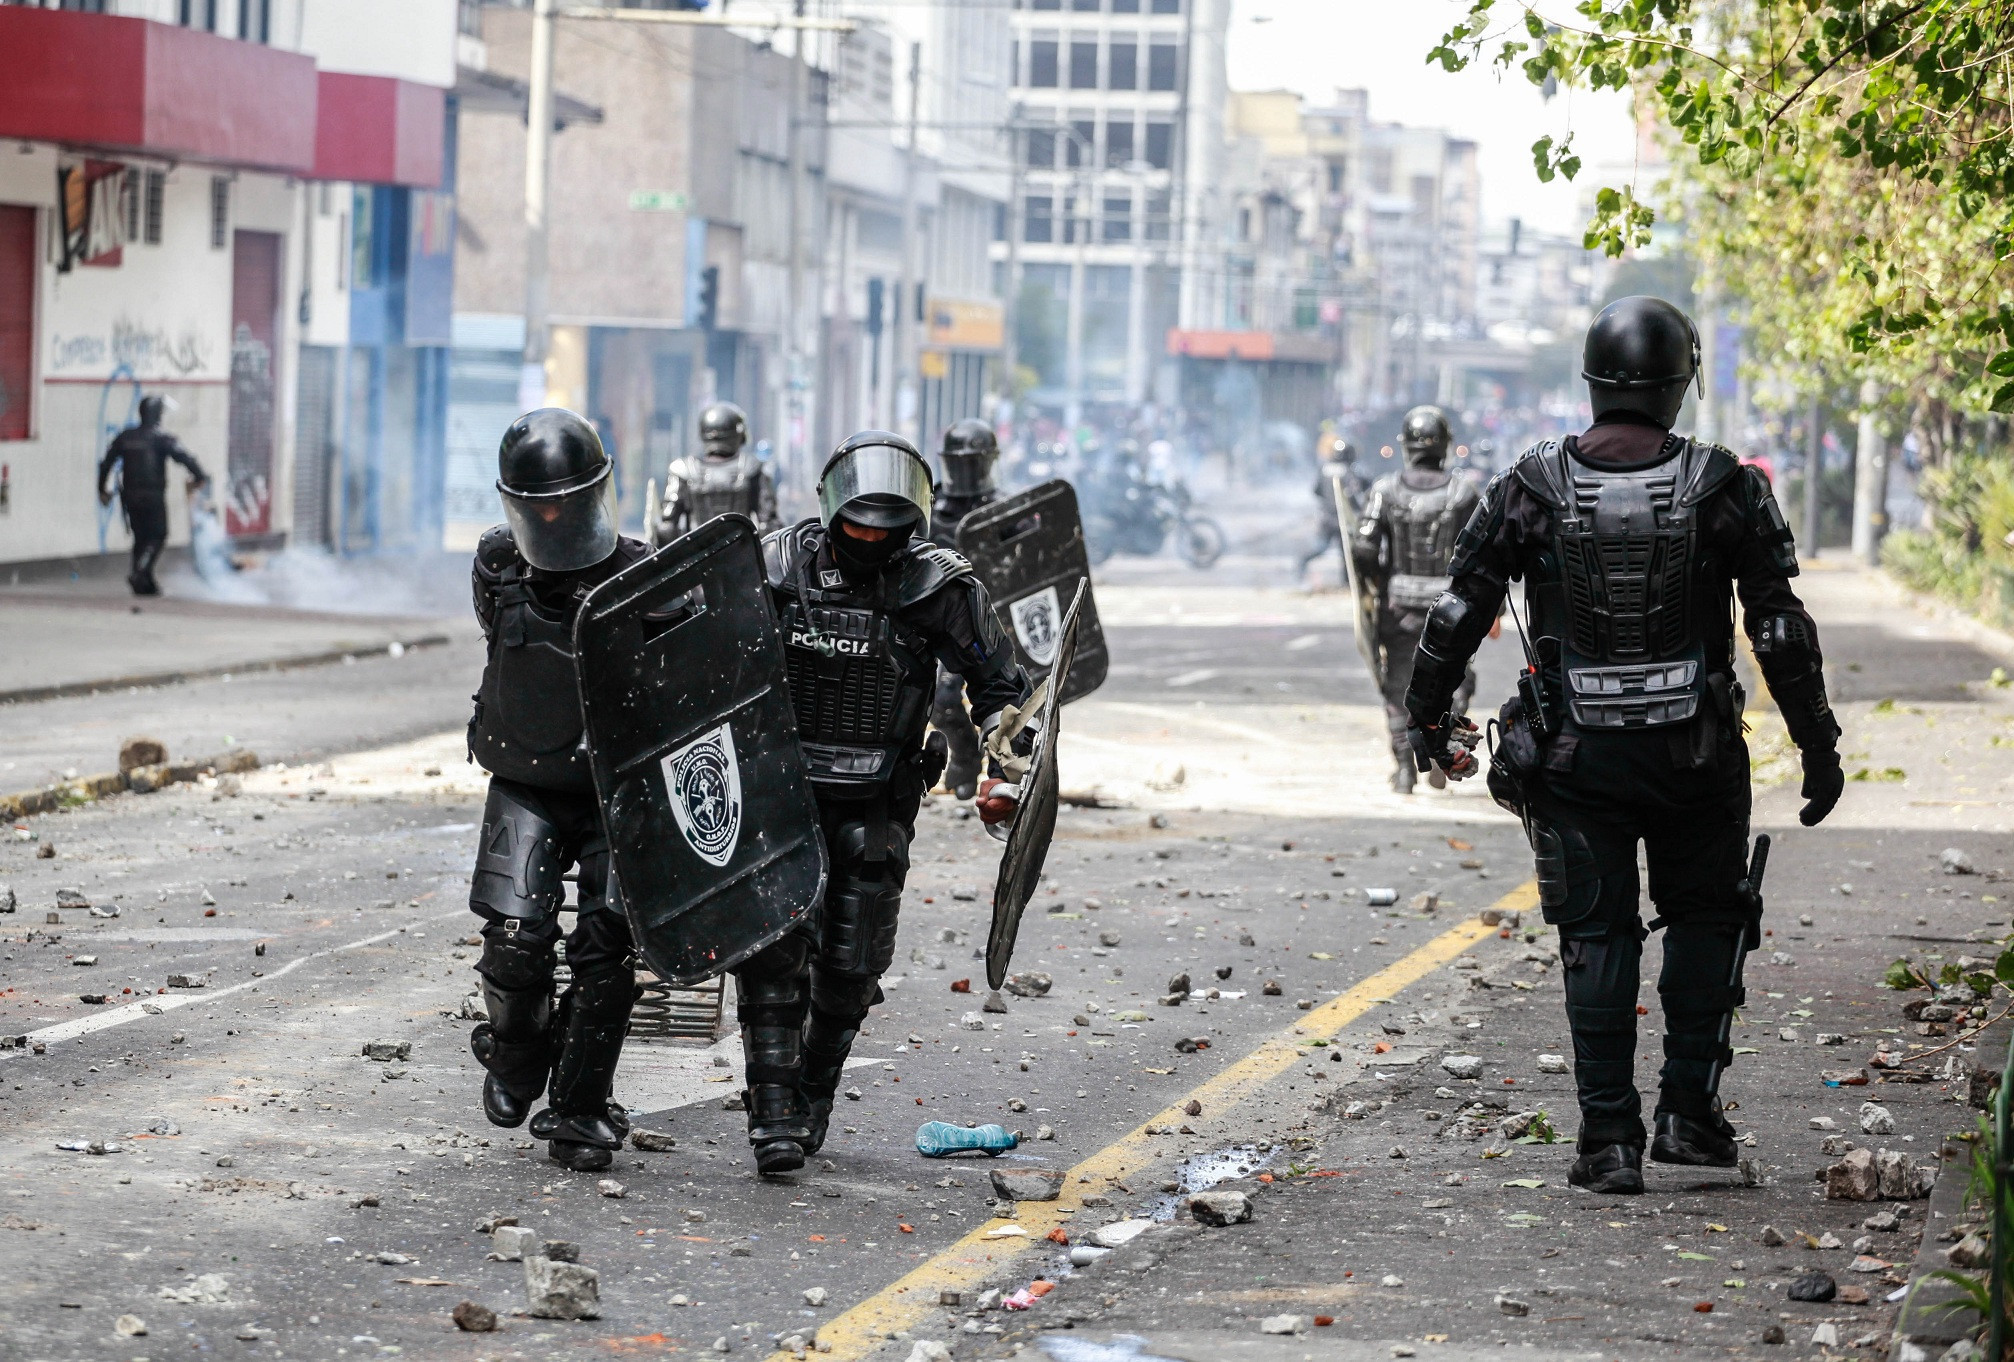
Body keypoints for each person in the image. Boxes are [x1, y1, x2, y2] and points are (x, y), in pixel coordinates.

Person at [1404, 296, 1845, 1195]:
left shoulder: (1529, 487)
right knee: (1707, 919)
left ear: (1594, 378)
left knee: (1595, 936)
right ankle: (1689, 1116)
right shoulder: (1726, 485)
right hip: (1697, 755)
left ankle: (1607, 1139)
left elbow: (1457, 613)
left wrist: (1425, 718)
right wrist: (1818, 744)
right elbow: (1779, 630)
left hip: (1572, 759)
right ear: (1681, 381)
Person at [732, 430, 1033, 1175]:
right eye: (858, 523)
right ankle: (771, 1117)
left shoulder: (939, 583)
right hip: (783, 787)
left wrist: (1006, 752)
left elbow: (1000, 684)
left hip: (877, 798)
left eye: (885, 527)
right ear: (832, 510)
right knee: (773, 955)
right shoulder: (772, 566)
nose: (870, 538)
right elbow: (710, 661)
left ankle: (812, 1097)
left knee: (851, 965)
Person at [464, 408, 654, 1174]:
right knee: (514, 942)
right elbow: (500, 637)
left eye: (563, 502)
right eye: (536, 504)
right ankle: (516, 1056)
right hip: (528, 777)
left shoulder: (643, 571)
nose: (551, 517)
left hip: (616, 788)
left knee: (607, 951)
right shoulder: (497, 564)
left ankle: (579, 1105)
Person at [1351, 406, 1481, 792]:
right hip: (1451, 611)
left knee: (1398, 686)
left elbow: (1362, 546)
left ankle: (1406, 771)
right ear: (1445, 445)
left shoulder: (1385, 490)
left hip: (1398, 608)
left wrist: (1377, 583)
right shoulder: (1463, 493)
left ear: (1405, 446)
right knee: (1454, 684)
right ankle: (1442, 754)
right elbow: (1483, 555)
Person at [929, 418, 1004, 798]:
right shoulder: (929, 507)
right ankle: (964, 758)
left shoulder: (1004, 510)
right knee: (940, 699)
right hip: (943, 621)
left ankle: (1004, 777)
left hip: (989, 625)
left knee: (1004, 706)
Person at [96, 395, 209, 596]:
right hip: (153, 495)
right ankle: (140, 571)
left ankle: (144, 582)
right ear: (157, 415)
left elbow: (106, 463)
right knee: (157, 535)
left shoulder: (125, 437)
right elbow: (184, 457)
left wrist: (102, 489)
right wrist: (200, 475)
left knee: (141, 537)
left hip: (130, 496)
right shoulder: (161, 438)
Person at [648, 401, 778, 546]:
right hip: (742, 556)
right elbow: (768, 525)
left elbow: (667, 526)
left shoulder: (685, 470)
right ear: (738, 434)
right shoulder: (752, 468)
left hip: (696, 557)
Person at [1295, 436, 1357, 588]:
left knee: (1320, 548)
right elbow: (1352, 496)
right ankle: (1347, 583)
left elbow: (1316, 491)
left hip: (1326, 519)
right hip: (1342, 519)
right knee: (1347, 553)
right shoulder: (1348, 472)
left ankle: (1302, 564)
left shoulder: (1324, 469)